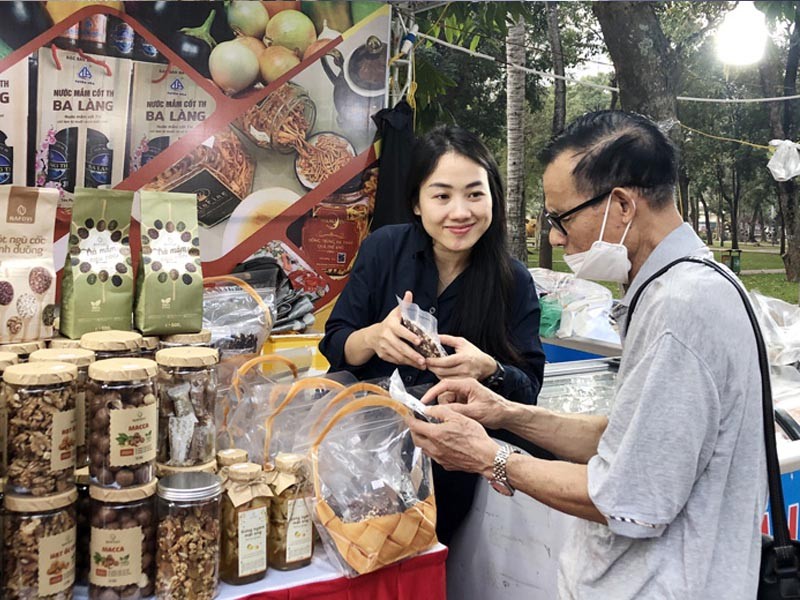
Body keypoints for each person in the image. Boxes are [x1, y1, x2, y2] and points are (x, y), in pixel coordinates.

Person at [408, 110, 765, 598]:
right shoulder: (674, 289)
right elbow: (626, 437)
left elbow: (630, 498)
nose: (554, 236)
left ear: (620, 205)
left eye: (561, 218)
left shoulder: (682, 309)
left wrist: (488, 455)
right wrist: (507, 413)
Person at [320, 125, 547, 543]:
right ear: (417, 204)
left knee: (425, 567)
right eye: (442, 195)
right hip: (364, 454)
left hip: (454, 468)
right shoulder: (384, 249)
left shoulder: (512, 280)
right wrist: (372, 337)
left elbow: (529, 388)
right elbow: (336, 342)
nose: (460, 212)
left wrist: (490, 369)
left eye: (475, 194)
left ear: (493, 198)